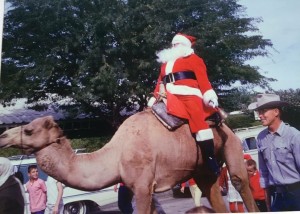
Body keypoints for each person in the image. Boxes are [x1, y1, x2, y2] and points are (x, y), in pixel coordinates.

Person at [147, 33, 220, 175]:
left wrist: (209, 94)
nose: (174, 47)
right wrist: (154, 98)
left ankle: (210, 157)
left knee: (196, 118)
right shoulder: (165, 64)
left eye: (177, 44)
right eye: (173, 44)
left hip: (189, 93)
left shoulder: (194, 59)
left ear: (185, 45)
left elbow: (203, 79)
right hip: (168, 95)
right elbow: (159, 83)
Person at [248, 93, 300, 211]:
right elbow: (264, 172)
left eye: (263, 111)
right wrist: (268, 204)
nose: (260, 115)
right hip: (276, 196)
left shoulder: (293, 135)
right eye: (258, 112)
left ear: (276, 112)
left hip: (297, 194)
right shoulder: (261, 137)